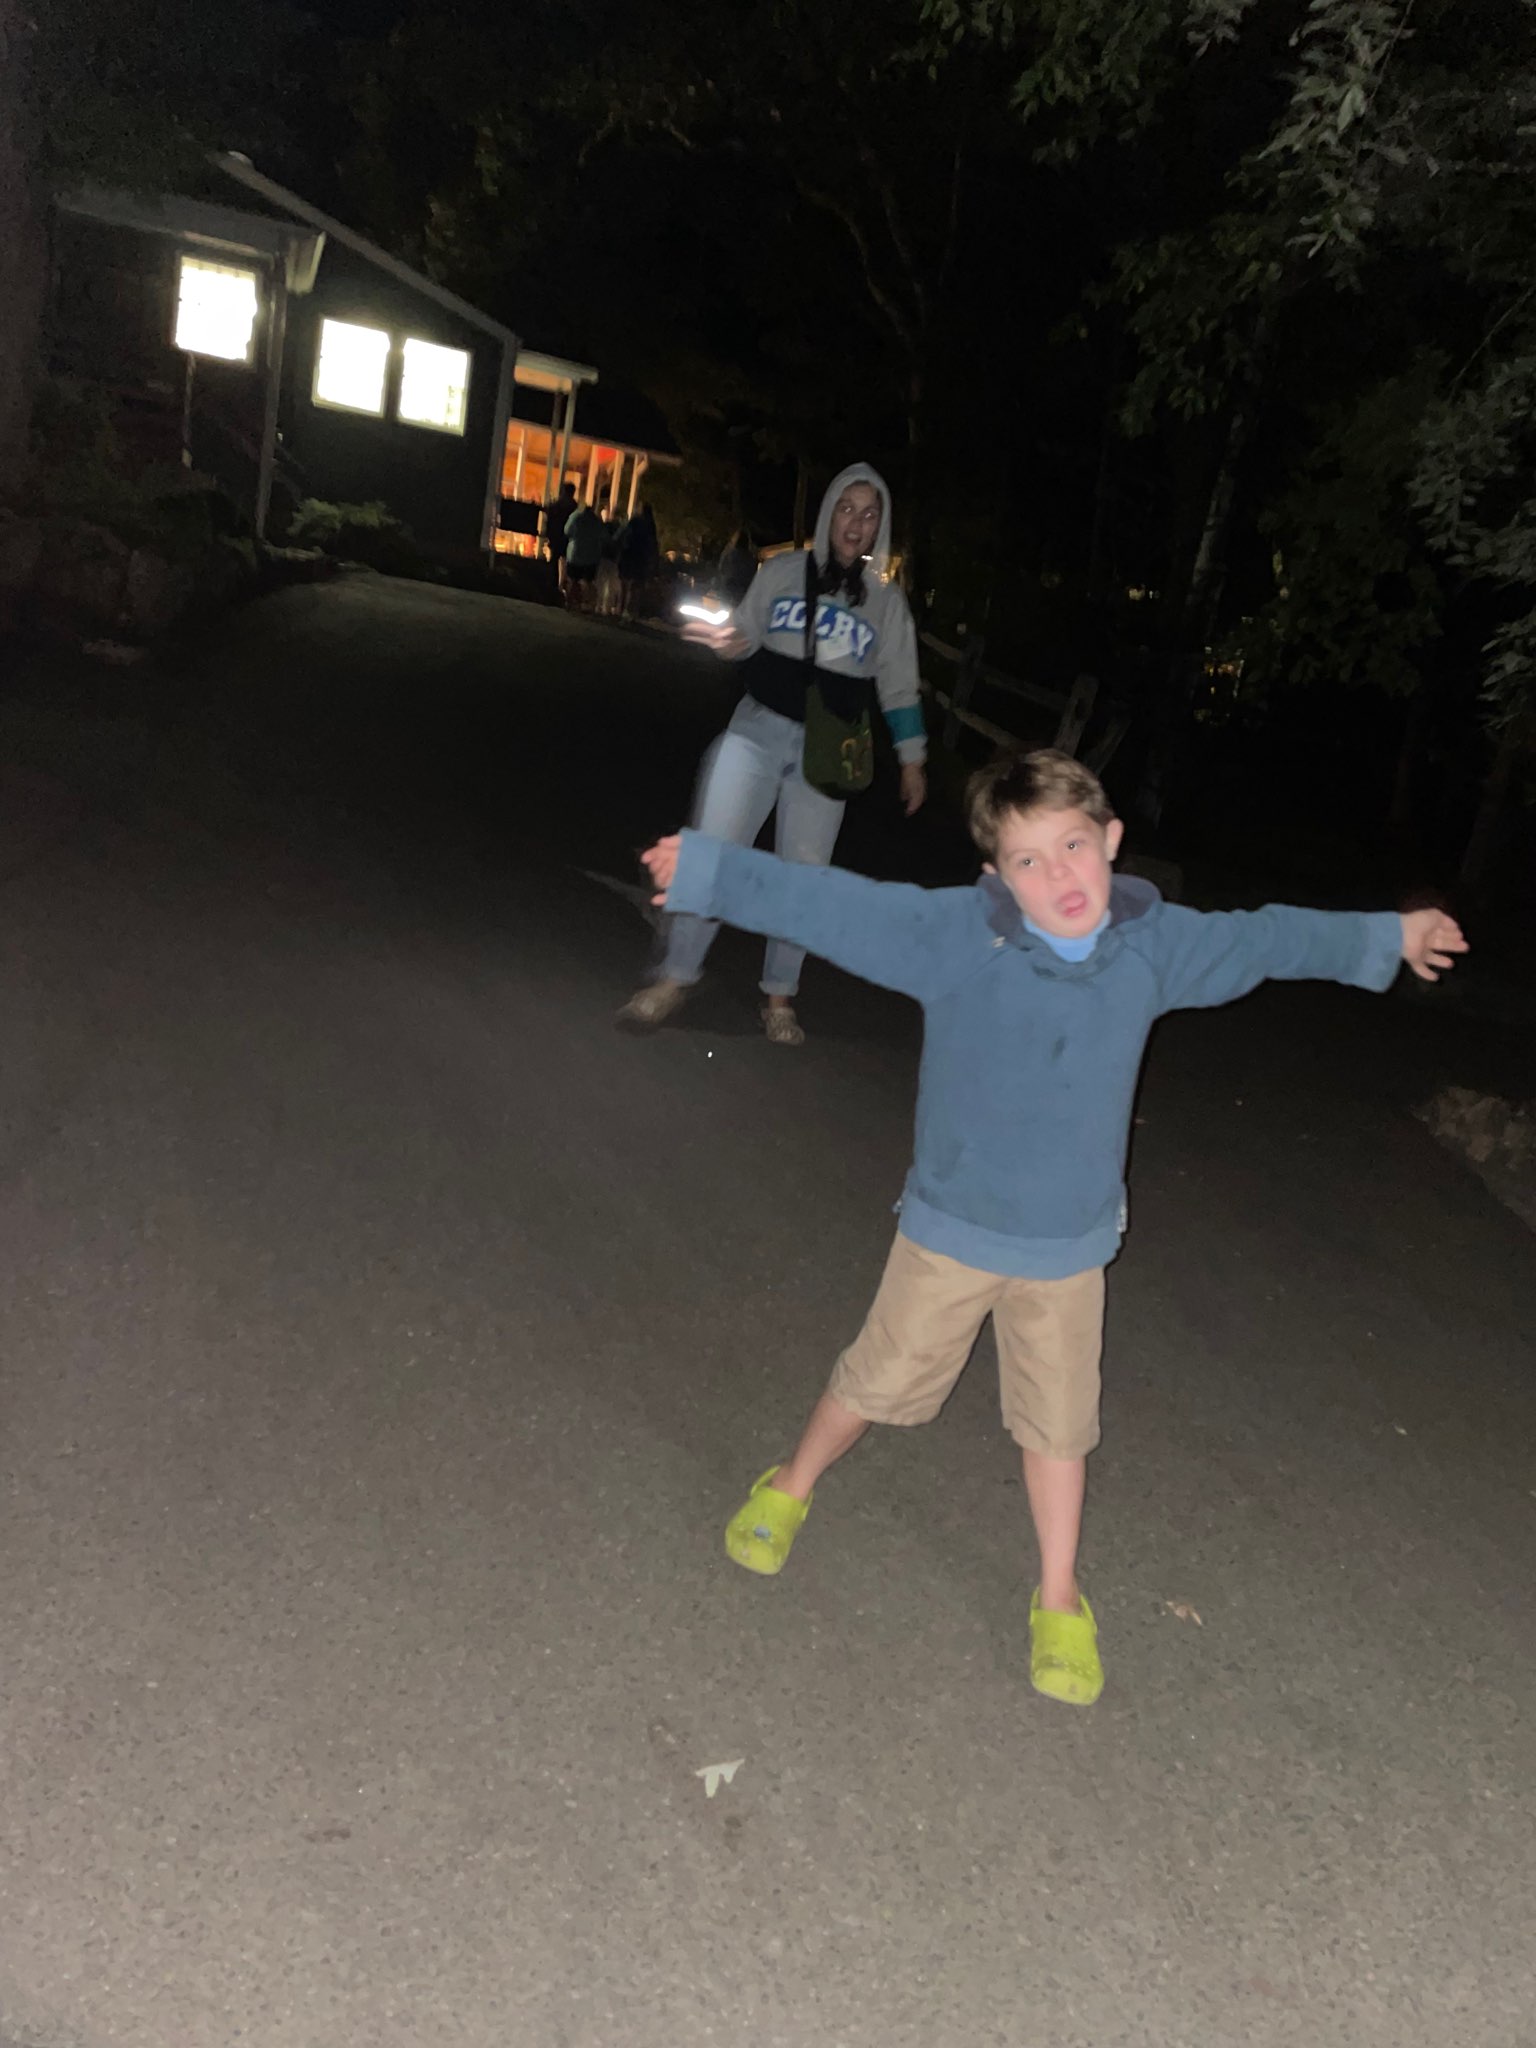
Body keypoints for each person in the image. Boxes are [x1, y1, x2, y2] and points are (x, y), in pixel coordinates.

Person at [636, 748, 1468, 1706]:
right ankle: (789, 1483)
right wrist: (711, 871)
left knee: (1061, 1425)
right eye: (1028, 860)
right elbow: (841, 906)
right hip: (953, 1228)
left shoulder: (1153, 946)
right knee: (877, 1379)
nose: (1058, 875)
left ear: (1111, 841)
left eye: (1073, 846)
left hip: (1068, 1250)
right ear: (996, 875)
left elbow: (1267, 939)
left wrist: (1389, 935)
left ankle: (1060, 1594)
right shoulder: (961, 938)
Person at [617, 464, 927, 1046]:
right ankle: (675, 977)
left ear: (879, 527)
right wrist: (730, 642)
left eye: (869, 514)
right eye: (846, 508)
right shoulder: (782, 571)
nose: (855, 523)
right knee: (713, 854)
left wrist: (912, 761)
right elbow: (747, 634)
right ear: (828, 511)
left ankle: (779, 996)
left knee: (802, 877)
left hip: (827, 752)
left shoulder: (886, 604)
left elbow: (900, 686)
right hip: (756, 731)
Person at [563, 496, 607, 611]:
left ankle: (571, 602)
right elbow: (603, 536)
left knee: (573, 580)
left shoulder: (575, 517)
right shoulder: (596, 521)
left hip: (575, 553)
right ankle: (588, 603)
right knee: (589, 581)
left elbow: (567, 531)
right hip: (591, 556)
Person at [617, 502, 659, 619]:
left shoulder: (634, 522)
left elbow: (623, 535)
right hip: (642, 559)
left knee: (625, 584)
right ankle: (632, 611)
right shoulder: (650, 526)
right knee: (636, 586)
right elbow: (653, 545)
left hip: (629, 555)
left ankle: (622, 608)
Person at [546, 481, 578, 593]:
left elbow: (550, 520)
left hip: (556, 537)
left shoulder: (557, 505)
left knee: (554, 560)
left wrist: (549, 535)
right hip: (569, 540)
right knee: (568, 562)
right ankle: (564, 584)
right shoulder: (575, 508)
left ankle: (554, 584)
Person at [716, 528, 758, 605]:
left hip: (729, 593)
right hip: (743, 595)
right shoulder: (751, 558)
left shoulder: (730, 555)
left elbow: (722, 570)